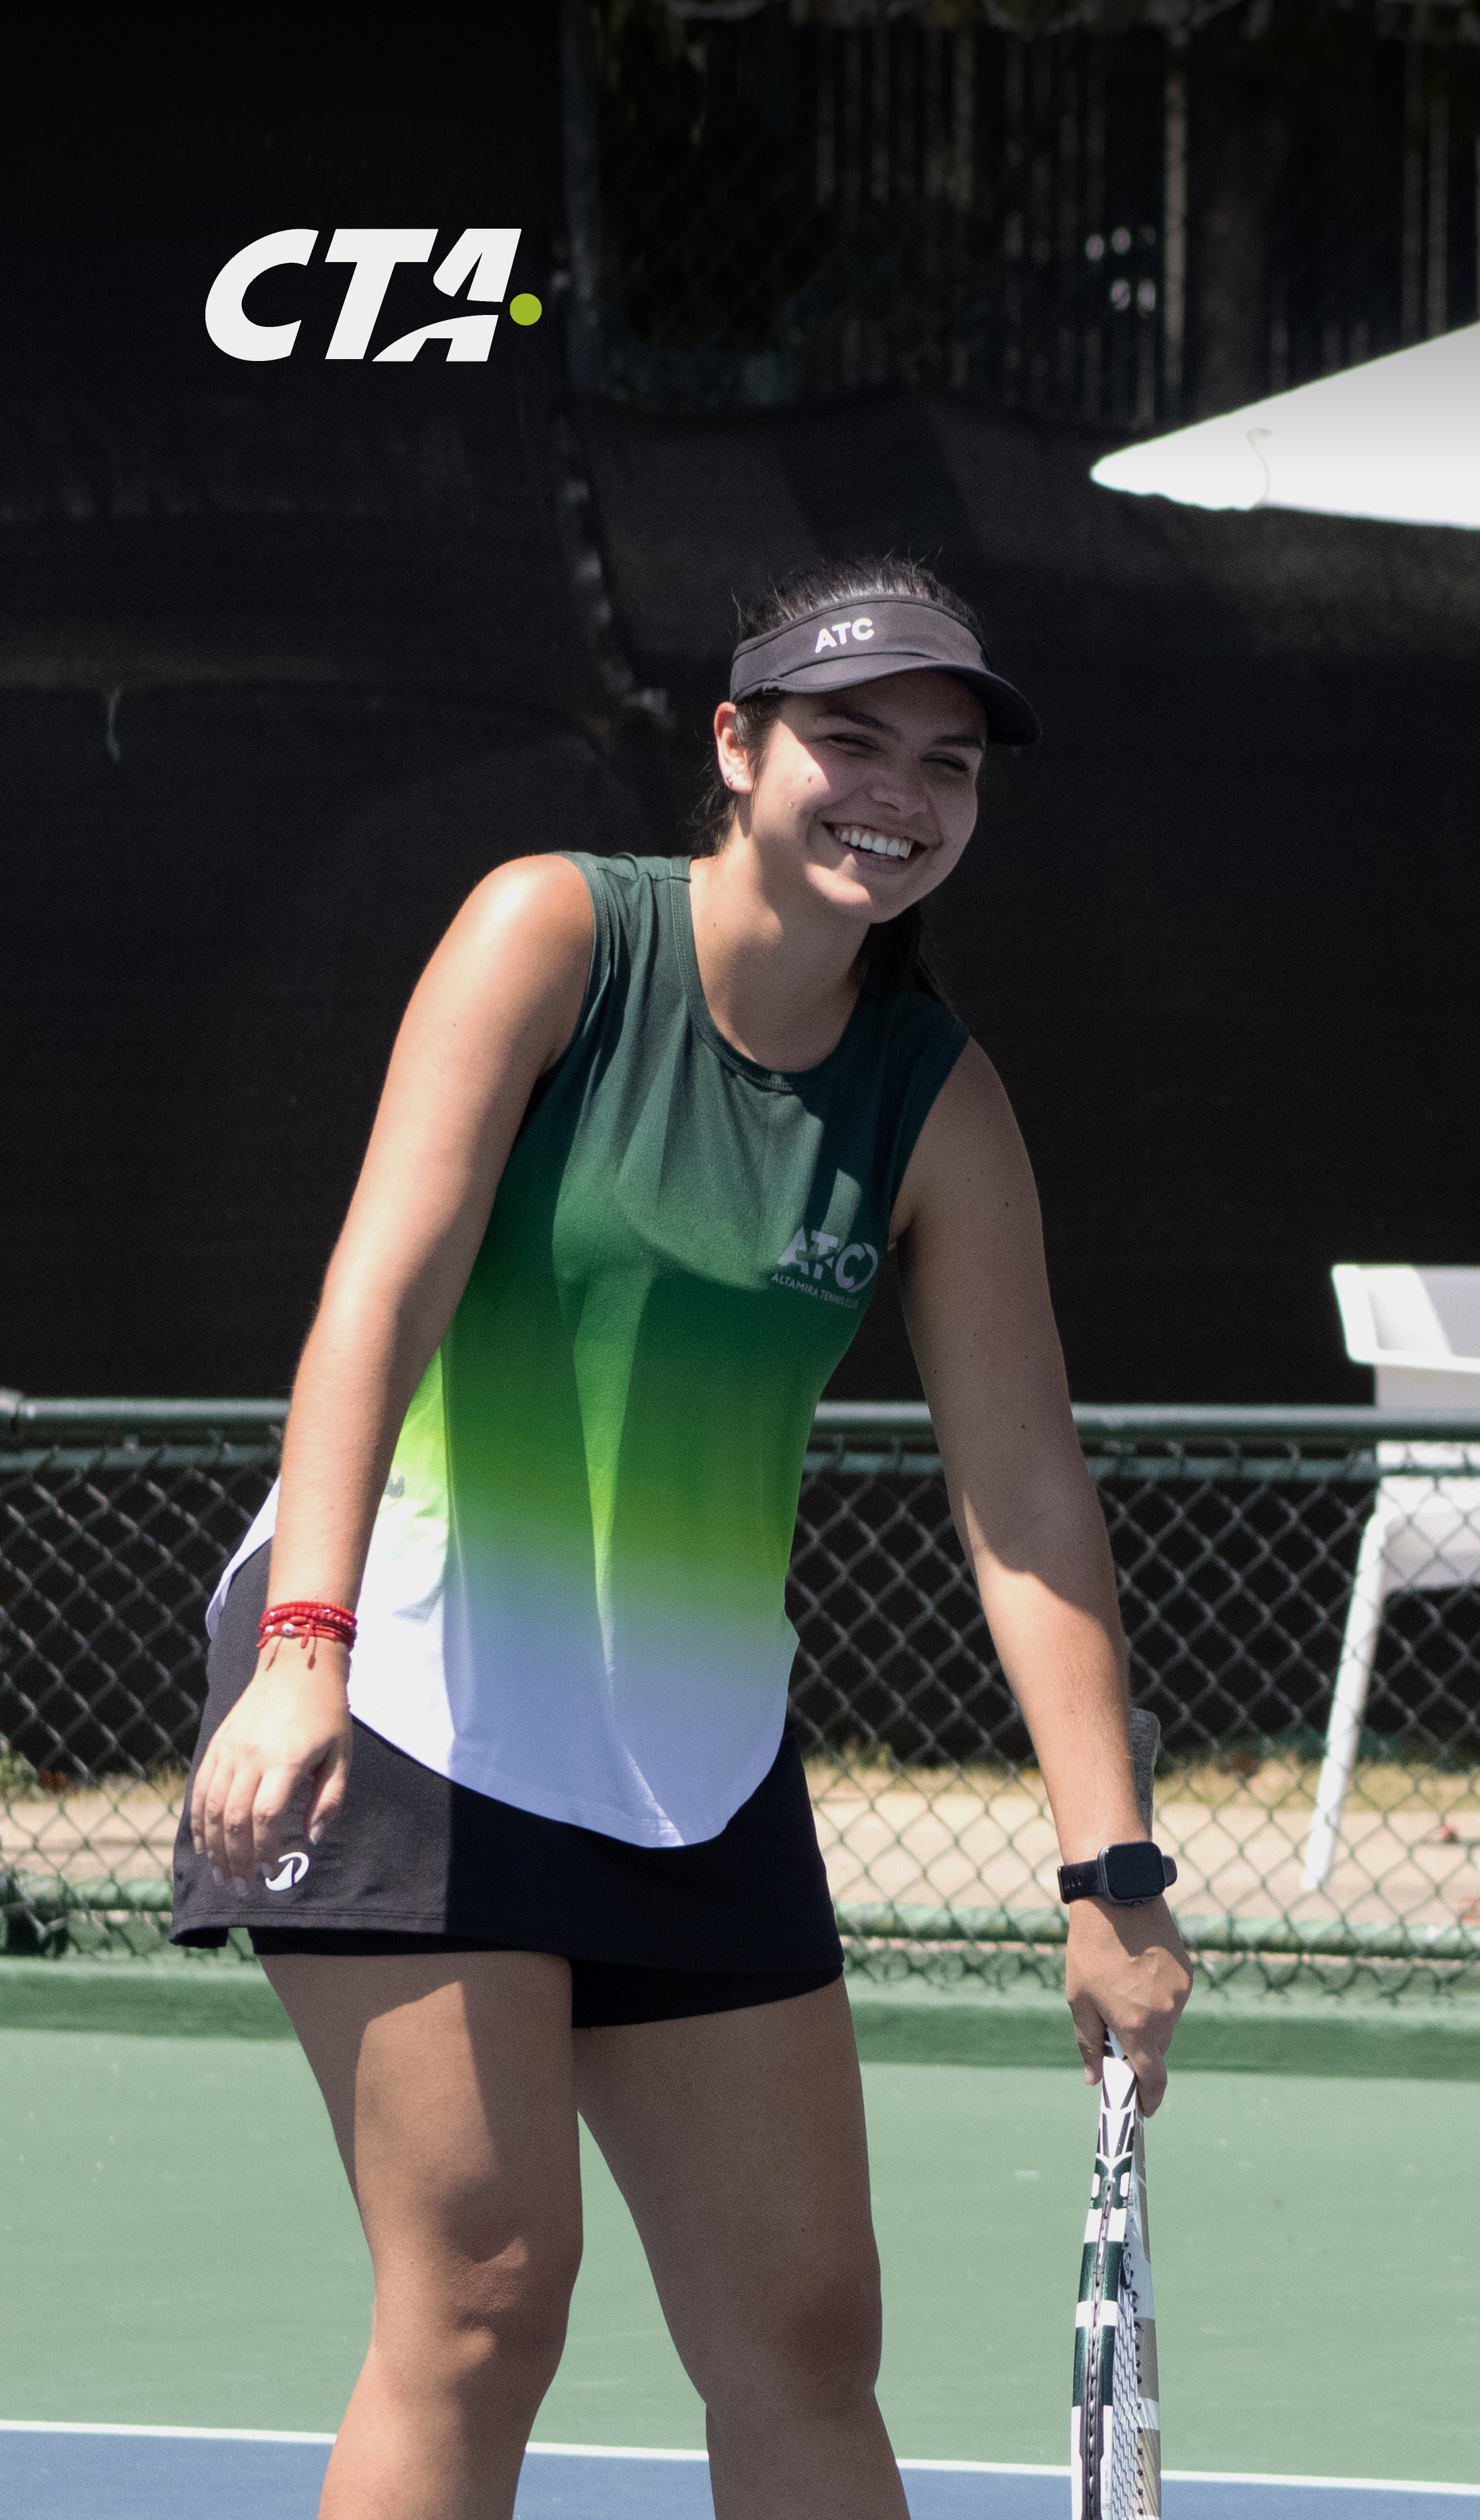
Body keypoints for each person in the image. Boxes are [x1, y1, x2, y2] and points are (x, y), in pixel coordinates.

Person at [169, 558, 1193, 2520]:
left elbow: (1027, 1493)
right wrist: (306, 1640)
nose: (897, 791)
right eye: (850, 739)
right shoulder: (551, 933)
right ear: (734, 747)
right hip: (405, 1706)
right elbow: (377, 1286)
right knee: (480, 2298)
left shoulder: (935, 1101)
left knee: (802, 2332)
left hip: (694, 1760)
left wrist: (1110, 1862)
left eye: (946, 762)